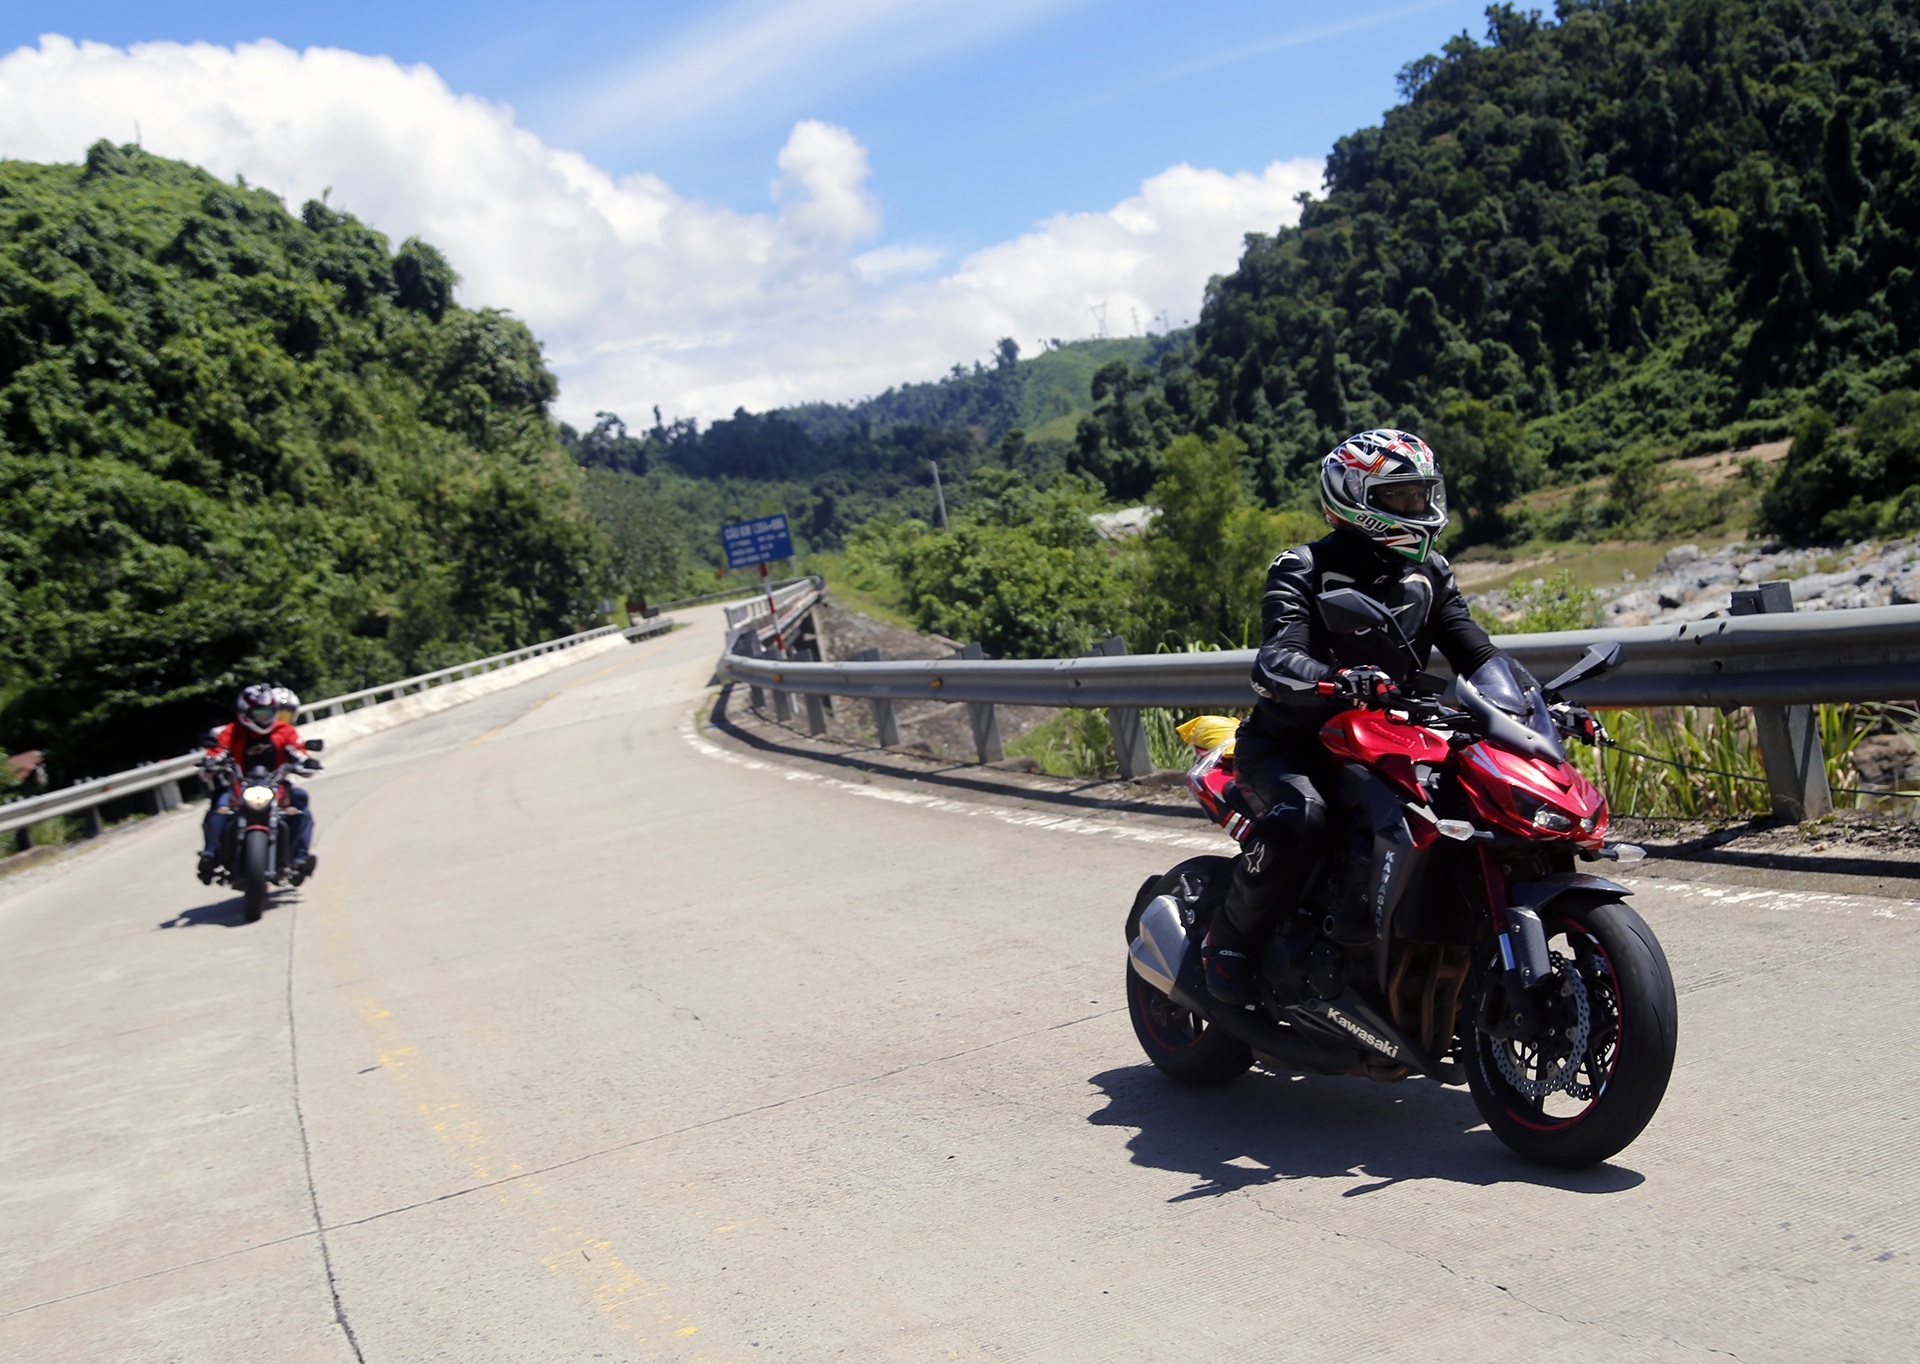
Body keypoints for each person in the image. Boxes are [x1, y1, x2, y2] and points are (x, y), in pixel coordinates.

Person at [1201, 429, 1502, 1006]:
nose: (1418, 507)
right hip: (1294, 744)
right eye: (1401, 496)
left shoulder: (1431, 573)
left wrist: (1544, 701)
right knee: (1304, 819)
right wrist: (1336, 680)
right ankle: (1228, 943)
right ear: (1355, 496)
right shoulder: (1304, 566)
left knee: (1469, 812)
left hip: (1387, 740)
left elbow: (1479, 655)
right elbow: (1275, 658)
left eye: (1421, 494)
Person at [198, 683, 320, 885]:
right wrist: (211, 762)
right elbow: (217, 751)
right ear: (245, 712)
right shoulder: (231, 732)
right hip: (240, 786)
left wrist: (307, 761)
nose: (264, 717)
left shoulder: (284, 730)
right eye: (259, 712)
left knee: (300, 804)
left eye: (268, 712)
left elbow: (297, 749)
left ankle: (300, 857)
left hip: (276, 786)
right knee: (218, 807)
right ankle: (210, 855)